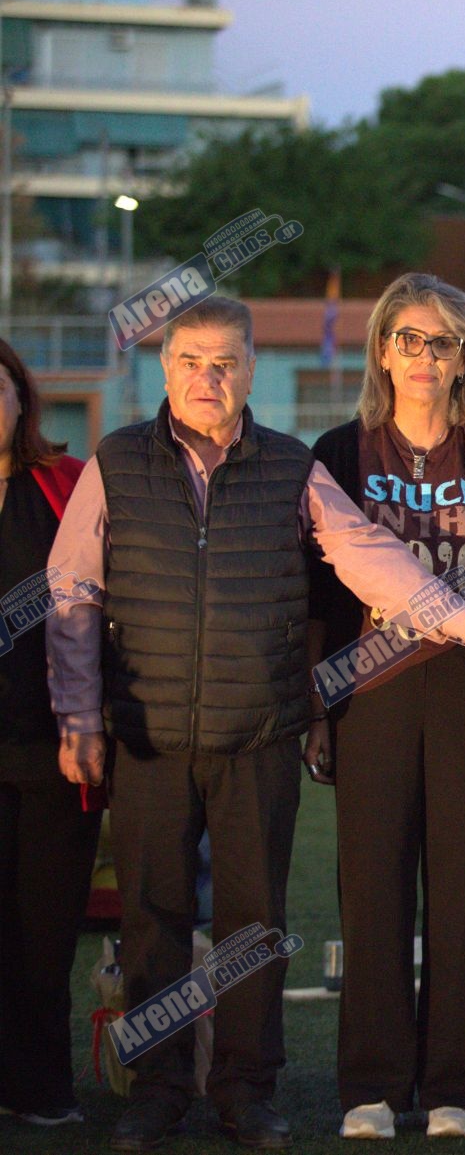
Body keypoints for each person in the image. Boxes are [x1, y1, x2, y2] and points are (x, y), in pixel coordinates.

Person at [46, 297, 465, 1152]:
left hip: (257, 734)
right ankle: (158, 1090)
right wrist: (79, 713)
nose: (208, 377)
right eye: (191, 361)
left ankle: (246, 1089)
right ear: (165, 368)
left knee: (254, 925)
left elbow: (370, 559)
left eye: (225, 362)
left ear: (249, 371)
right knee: (152, 920)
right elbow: (72, 590)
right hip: (148, 734)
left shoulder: (291, 466)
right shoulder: (115, 462)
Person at [306, 274, 465, 1139]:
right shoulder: (338, 450)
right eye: (408, 338)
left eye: (442, 341)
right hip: (373, 693)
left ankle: (455, 1087)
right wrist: (317, 707)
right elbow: (317, 590)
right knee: (374, 889)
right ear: (383, 351)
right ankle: (373, 1083)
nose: (424, 356)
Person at [0, 337, 101, 1129]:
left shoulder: (66, 483)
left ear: (20, 399)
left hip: (53, 747)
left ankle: (38, 1084)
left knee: (44, 929)